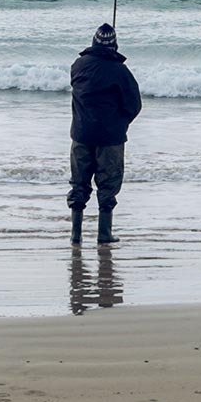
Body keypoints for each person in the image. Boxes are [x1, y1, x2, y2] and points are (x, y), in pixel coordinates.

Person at [68, 22, 141, 246]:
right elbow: (134, 105)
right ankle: (104, 233)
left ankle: (76, 235)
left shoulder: (78, 65)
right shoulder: (120, 71)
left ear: (93, 42)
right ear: (115, 46)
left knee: (79, 184)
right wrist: (121, 123)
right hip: (110, 138)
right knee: (108, 186)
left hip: (81, 135)